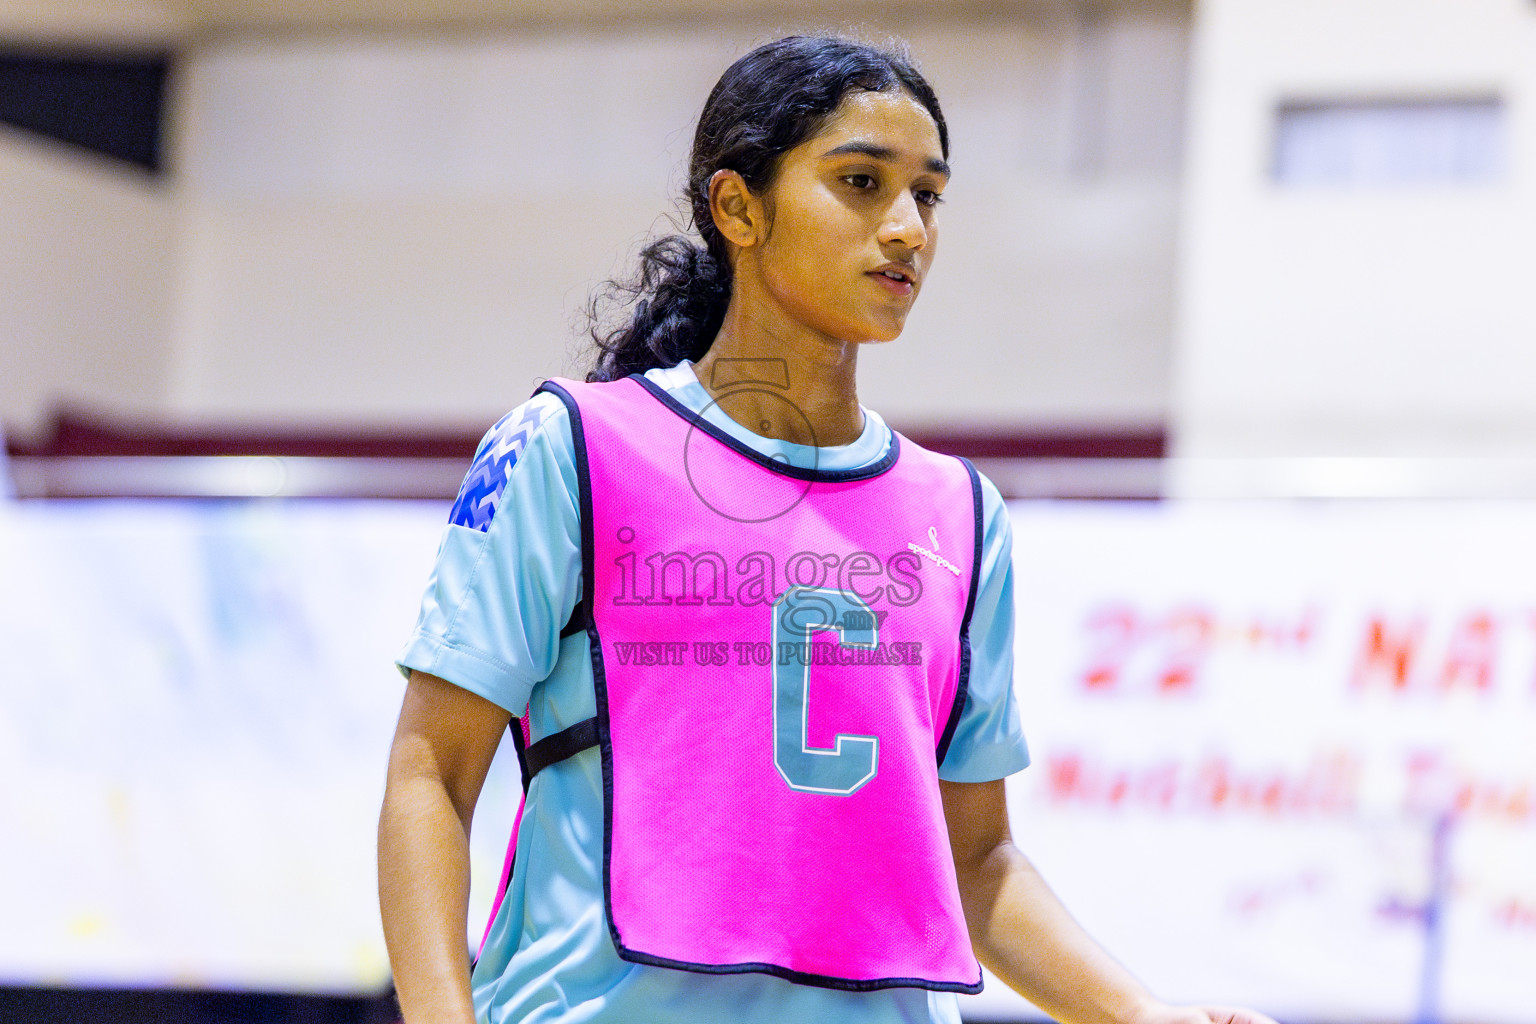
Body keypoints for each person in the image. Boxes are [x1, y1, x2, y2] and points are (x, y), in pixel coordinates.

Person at [378, 35, 1279, 1024]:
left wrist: (1146, 1013)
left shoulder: (961, 513)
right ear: (738, 208)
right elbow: (433, 771)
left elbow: (976, 859)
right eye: (861, 182)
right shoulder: (575, 448)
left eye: (928, 195)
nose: (906, 229)